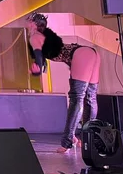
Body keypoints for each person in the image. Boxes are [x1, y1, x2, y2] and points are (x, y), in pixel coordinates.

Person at [26, 12, 100, 153]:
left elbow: (39, 58)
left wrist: (36, 69)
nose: (27, 25)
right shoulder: (46, 36)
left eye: (29, 22)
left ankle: (67, 141)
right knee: (90, 98)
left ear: (34, 24)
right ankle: (86, 139)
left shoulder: (35, 37)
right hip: (91, 53)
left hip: (79, 55)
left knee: (77, 98)